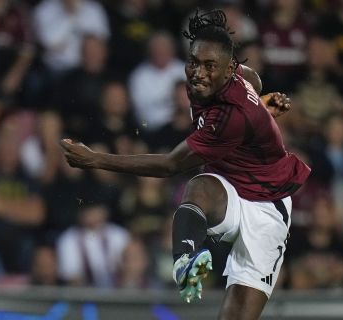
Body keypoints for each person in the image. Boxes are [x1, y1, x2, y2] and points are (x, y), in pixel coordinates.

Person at [61, 9, 310, 319]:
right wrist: (259, 105)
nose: (198, 73)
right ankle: (186, 262)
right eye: (194, 62)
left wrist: (96, 159)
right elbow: (254, 79)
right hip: (231, 186)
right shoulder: (232, 77)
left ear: (228, 68)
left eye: (209, 66)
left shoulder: (229, 118)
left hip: (267, 205)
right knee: (200, 185)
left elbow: (169, 165)